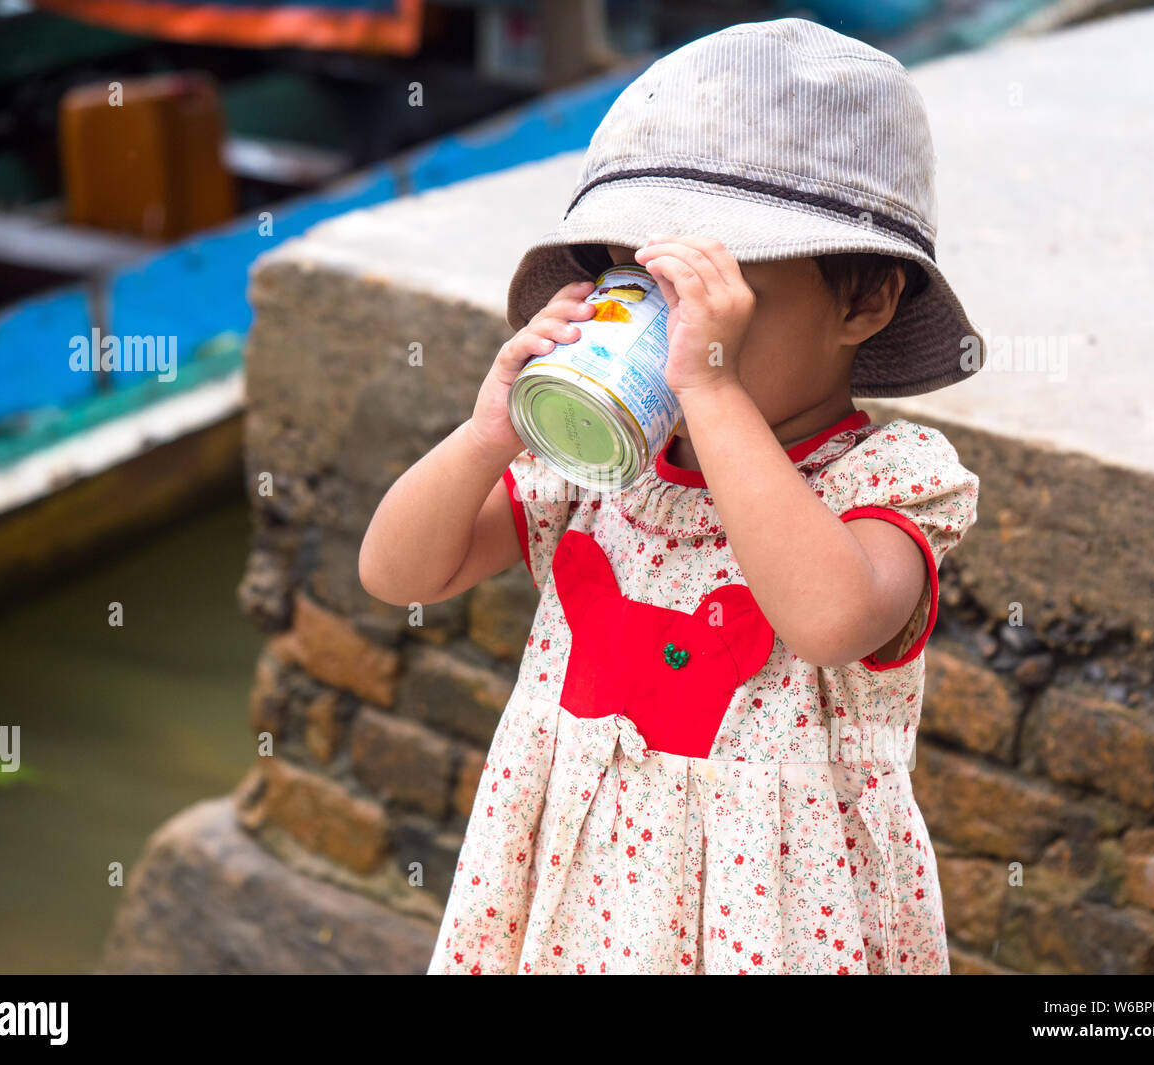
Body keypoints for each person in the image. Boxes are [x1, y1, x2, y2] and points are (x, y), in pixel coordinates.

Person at [359, 17, 985, 974]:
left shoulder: (889, 479)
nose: (670, 338)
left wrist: (712, 387)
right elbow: (399, 570)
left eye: (714, 301)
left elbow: (827, 618)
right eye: (638, 288)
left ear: (863, 303)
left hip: (775, 929)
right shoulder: (603, 465)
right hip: (576, 909)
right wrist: (489, 432)